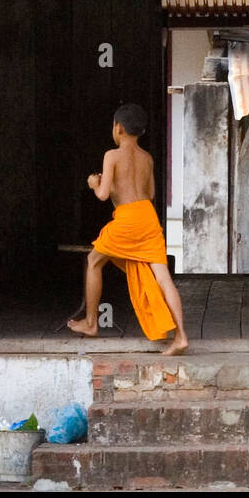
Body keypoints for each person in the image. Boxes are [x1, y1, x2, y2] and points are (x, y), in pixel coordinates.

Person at [68, 103, 189, 355]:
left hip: (126, 219)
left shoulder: (111, 155)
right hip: (147, 217)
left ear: (118, 128)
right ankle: (180, 336)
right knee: (163, 278)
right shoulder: (147, 158)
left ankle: (91, 323)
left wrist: (94, 183)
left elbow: (102, 195)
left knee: (93, 261)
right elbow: (151, 193)